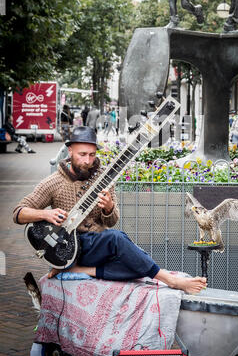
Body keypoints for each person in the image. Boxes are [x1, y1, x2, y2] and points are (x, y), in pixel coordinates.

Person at [13, 126, 206, 294]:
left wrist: (108, 207)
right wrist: (45, 214)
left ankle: (79, 270)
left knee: (138, 260)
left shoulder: (104, 179)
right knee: (118, 239)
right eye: (82, 154)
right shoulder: (54, 182)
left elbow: (111, 221)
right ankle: (171, 280)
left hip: (95, 244)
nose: (87, 161)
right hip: (67, 246)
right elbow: (19, 212)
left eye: (92, 155)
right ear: (70, 151)